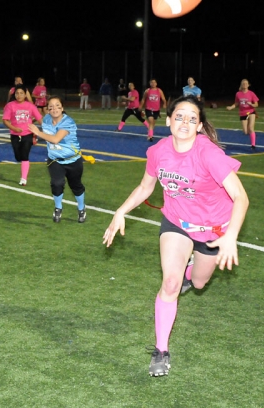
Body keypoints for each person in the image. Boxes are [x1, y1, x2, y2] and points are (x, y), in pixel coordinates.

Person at [102, 95, 249, 377]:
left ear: (199, 126)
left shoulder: (208, 155)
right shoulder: (158, 151)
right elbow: (146, 187)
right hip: (177, 223)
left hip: (213, 230)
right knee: (170, 283)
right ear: (168, 120)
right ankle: (161, 350)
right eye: (179, 116)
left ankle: (190, 274)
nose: (185, 122)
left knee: (199, 282)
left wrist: (231, 236)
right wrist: (120, 211)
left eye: (192, 118)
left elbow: (241, 197)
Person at [28, 96, 87, 223]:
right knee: (57, 183)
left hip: (73, 159)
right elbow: (41, 129)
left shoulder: (68, 122)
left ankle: (81, 208)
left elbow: (55, 139)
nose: (54, 108)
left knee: (76, 186)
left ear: (62, 108)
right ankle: (58, 208)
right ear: (47, 109)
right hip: (55, 159)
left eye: (57, 106)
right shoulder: (46, 119)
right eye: (51, 106)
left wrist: (37, 133)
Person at [2, 85, 43, 186]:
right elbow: (5, 120)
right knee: (18, 156)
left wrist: (47, 129)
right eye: (17, 93)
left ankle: (23, 179)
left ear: (25, 95)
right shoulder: (10, 105)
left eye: (21, 93)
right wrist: (14, 128)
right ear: (14, 94)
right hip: (15, 134)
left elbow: (39, 119)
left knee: (25, 155)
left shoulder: (31, 106)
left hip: (27, 133)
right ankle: (22, 165)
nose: (19, 95)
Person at [226, 79, 259, 149]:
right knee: (245, 131)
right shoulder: (238, 94)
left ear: (248, 85)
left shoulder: (251, 93)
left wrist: (251, 104)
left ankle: (253, 145)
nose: (244, 85)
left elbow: (256, 104)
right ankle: (252, 134)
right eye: (243, 83)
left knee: (251, 127)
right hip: (242, 113)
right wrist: (231, 107)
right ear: (241, 85)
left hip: (251, 112)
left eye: (246, 83)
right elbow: (236, 103)